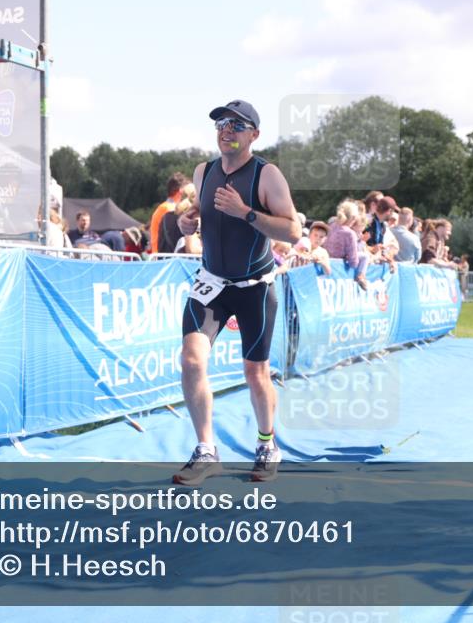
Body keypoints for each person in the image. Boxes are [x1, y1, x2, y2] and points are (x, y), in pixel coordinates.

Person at [174, 99, 301, 486]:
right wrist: (187, 222)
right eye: (221, 123)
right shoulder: (203, 171)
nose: (226, 129)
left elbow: (293, 232)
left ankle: (267, 444)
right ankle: (206, 450)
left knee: (255, 372)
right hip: (211, 281)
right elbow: (202, 213)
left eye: (237, 124)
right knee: (192, 361)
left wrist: (245, 212)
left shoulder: (267, 175)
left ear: (254, 135)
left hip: (255, 288)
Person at [326, 200, 369, 289]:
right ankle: (361, 276)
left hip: (328, 259)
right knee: (365, 257)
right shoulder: (349, 233)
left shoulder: (331, 226)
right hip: (339, 264)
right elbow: (353, 262)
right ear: (353, 218)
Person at [149, 172, 186, 254]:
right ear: (181, 191)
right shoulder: (169, 209)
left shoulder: (163, 207)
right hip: (163, 256)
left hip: (160, 255)